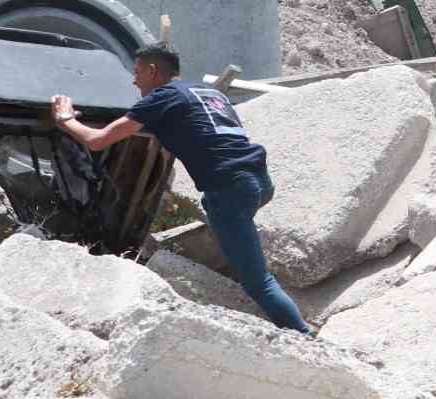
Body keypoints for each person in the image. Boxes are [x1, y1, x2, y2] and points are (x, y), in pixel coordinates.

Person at [51, 45, 312, 333]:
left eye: (137, 72)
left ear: (152, 71)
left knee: (258, 282)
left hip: (230, 189)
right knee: (216, 211)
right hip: (259, 181)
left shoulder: (162, 99)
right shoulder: (207, 92)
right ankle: (232, 244)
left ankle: (306, 338)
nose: (134, 81)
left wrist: (66, 119)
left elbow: (97, 140)